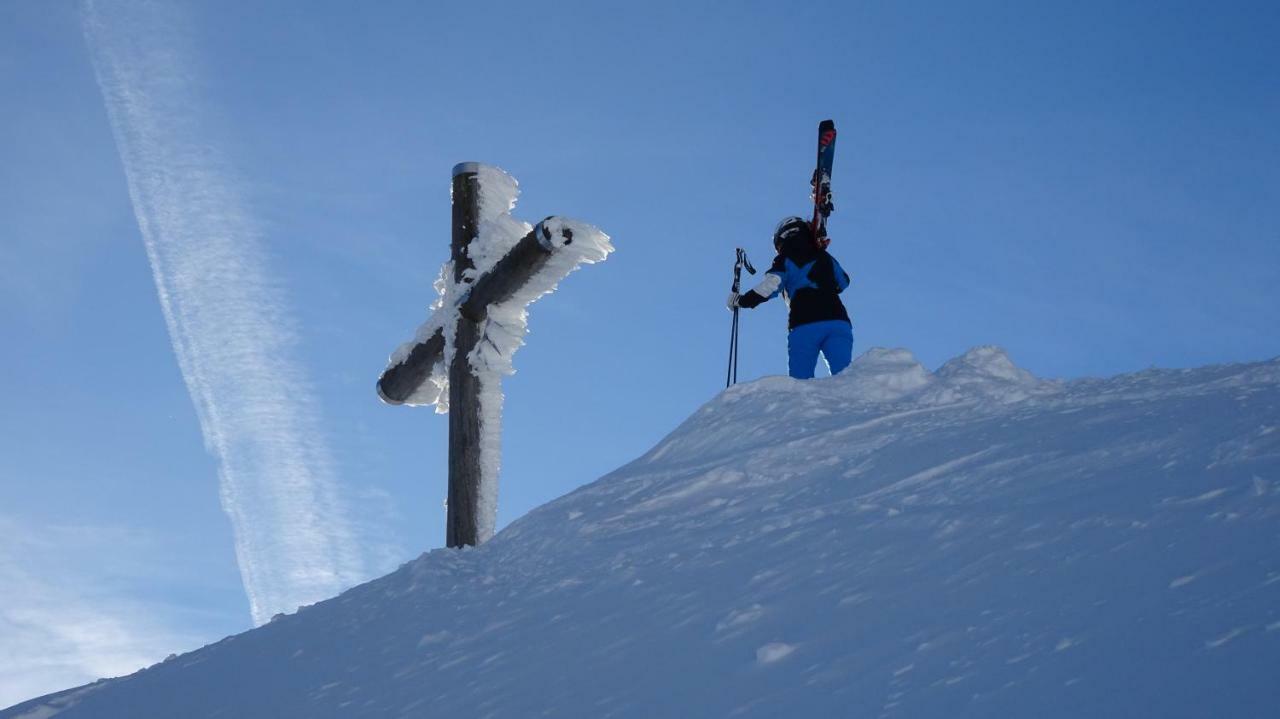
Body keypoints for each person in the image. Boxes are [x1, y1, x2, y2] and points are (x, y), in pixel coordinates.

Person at [728, 216, 854, 379]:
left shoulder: (785, 259)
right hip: (838, 321)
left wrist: (742, 300)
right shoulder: (824, 256)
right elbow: (843, 282)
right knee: (845, 377)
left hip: (804, 323)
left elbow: (772, 284)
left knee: (801, 384)